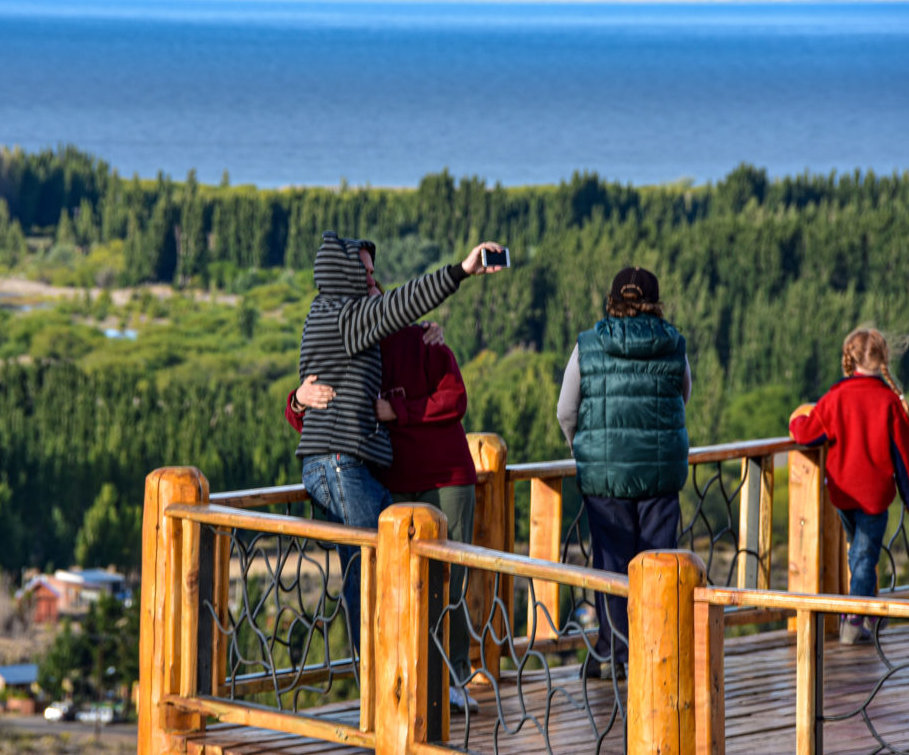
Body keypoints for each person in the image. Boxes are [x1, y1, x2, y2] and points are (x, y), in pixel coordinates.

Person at [294, 230, 504, 665]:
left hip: (360, 467)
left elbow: (449, 392)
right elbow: (406, 299)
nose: (373, 279)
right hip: (340, 464)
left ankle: (415, 675)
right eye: (364, 271)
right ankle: (379, 682)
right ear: (344, 274)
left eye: (374, 272)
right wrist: (461, 271)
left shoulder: (342, 320)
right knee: (375, 572)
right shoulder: (348, 318)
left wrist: (395, 405)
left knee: (391, 569)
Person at [287, 318, 479, 713]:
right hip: (391, 487)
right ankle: (407, 684)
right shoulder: (343, 353)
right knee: (403, 592)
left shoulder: (421, 338)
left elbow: (455, 398)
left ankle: (452, 680)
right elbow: (314, 420)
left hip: (446, 479)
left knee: (450, 585)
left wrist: (397, 410)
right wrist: (297, 399)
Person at [555, 266, 691, 680]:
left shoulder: (588, 345)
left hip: (605, 475)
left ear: (612, 300)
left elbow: (566, 410)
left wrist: (586, 448)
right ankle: (657, 652)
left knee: (611, 564)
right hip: (661, 472)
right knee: (658, 562)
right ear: (655, 300)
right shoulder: (673, 345)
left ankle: (612, 653)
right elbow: (683, 396)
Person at [788, 328, 909, 644]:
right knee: (864, 557)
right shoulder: (889, 402)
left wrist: (794, 421)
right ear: (883, 359)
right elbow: (905, 457)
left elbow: (806, 432)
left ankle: (868, 611)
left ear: (850, 358)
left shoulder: (835, 398)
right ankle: (853, 622)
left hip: (842, 493)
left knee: (860, 554)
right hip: (874, 497)